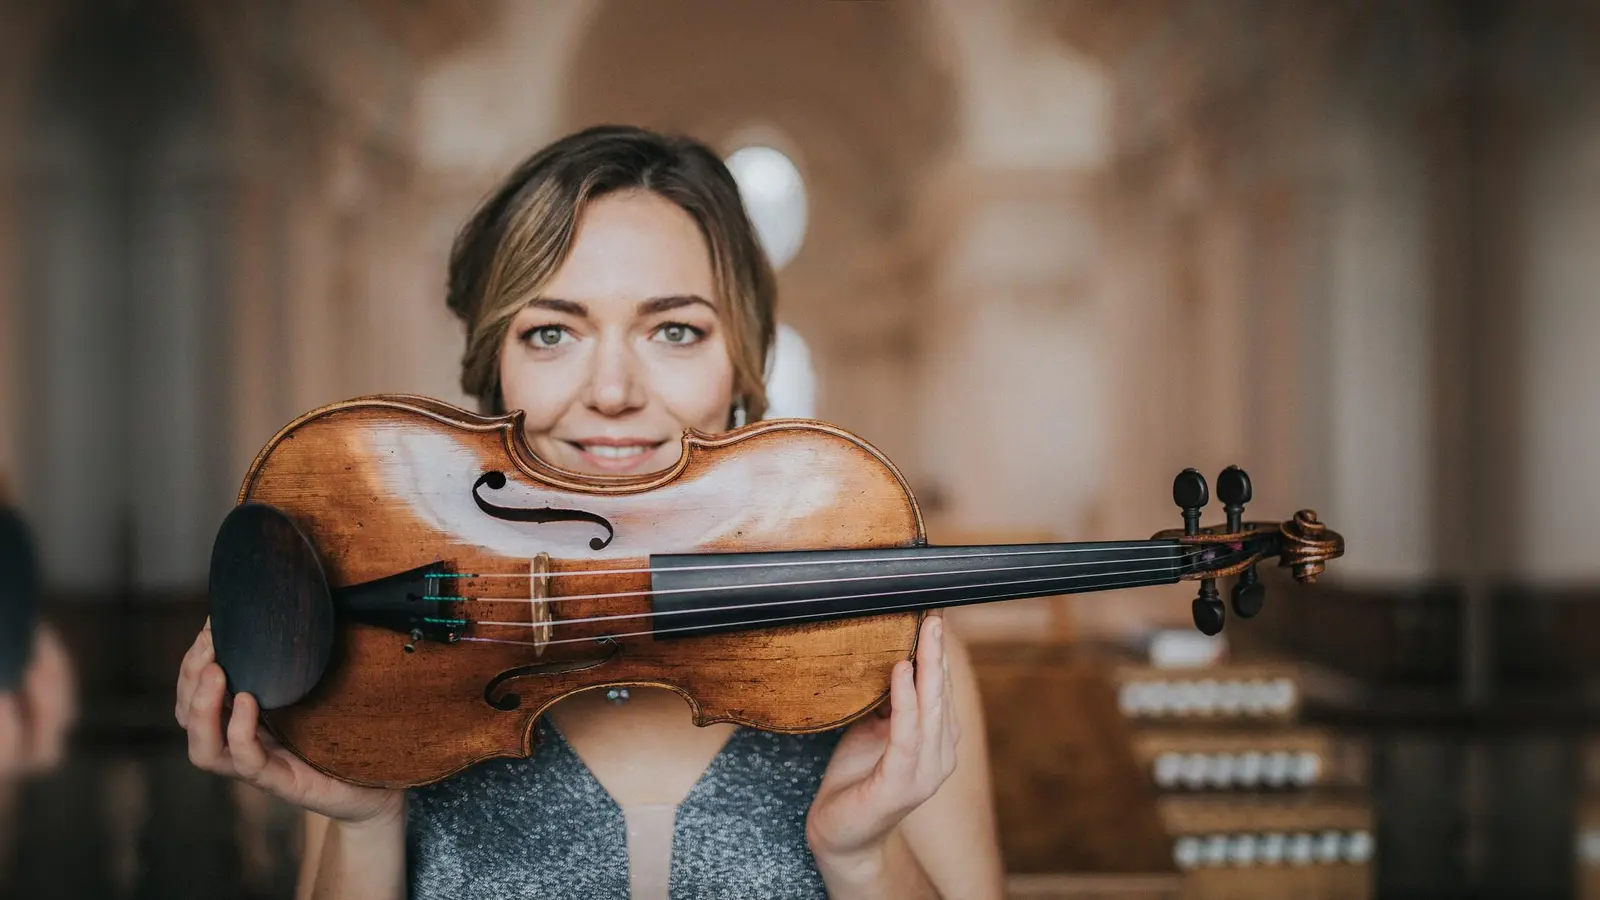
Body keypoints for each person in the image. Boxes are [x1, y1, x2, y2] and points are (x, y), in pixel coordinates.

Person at [176, 125, 1006, 900]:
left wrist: (860, 858)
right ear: (493, 367)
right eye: (551, 334)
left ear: (743, 366)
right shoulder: (382, 659)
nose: (612, 393)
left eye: (675, 331)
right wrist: (365, 825)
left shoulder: (897, 654)